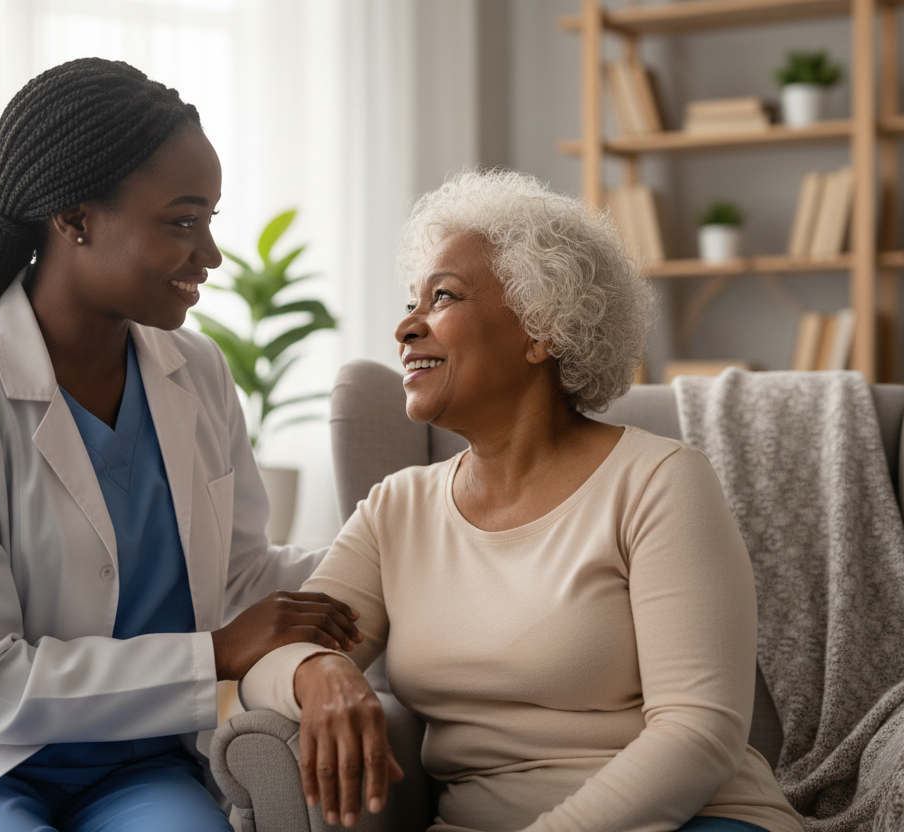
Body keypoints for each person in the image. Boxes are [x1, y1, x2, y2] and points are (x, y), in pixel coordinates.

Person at [0, 58, 363, 832]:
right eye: (181, 222)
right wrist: (215, 654)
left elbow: (242, 574)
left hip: (140, 766)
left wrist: (401, 548)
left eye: (210, 220)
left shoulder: (197, 372)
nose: (209, 254)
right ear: (74, 220)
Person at [239, 169, 806, 832]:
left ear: (544, 329)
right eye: (410, 302)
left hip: (693, 819)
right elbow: (268, 664)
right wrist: (317, 670)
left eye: (441, 297)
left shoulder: (659, 481)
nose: (406, 327)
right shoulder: (396, 510)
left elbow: (700, 732)